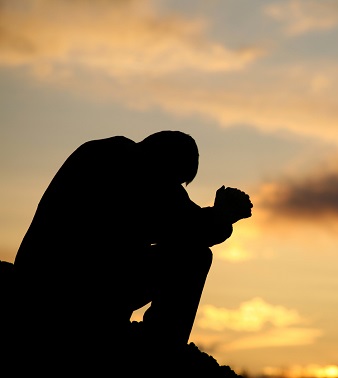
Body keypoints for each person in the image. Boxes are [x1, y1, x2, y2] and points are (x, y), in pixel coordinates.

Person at [10, 130, 252, 373]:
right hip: (69, 292)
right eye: (175, 180)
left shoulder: (107, 155)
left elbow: (180, 221)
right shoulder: (132, 167)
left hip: (47, 279)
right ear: (166, 162)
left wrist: (217, 218)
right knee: (194, 257)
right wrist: (222, 215)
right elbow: (190, 226)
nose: (175, 189)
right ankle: (158, 352)